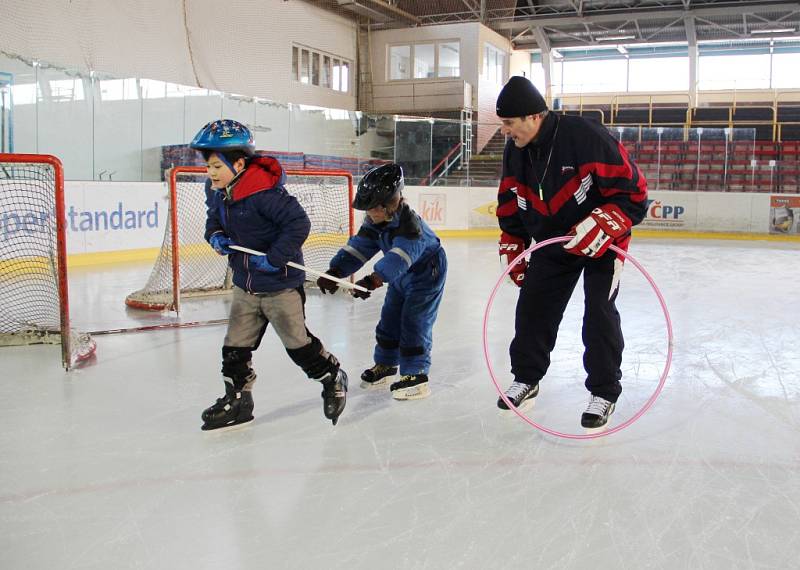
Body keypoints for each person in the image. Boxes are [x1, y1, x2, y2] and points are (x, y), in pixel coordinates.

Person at [494, 76, 648, 428]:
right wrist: (513, 239)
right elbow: (509, 197)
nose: (505, 131)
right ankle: (527, 378)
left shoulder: (586, 137)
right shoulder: (515, 151)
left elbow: (635, 194)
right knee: (533, 307)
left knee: (599, 312)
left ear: (534, 117)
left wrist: (606, 220)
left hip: (603, 241)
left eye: (509, 123)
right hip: (553, 241)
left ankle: (604, 391)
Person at [191, 119, 348, 430]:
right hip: (245, 286)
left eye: (215, 166)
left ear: (238, 162)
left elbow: (298, 225)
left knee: (298, 346)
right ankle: (238, 400)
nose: (210, 173)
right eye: (207, 166)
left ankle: (332, 377)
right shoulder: (218, 193)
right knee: (234, 349)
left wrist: (275, 260)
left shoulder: (266, 194)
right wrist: (216, 236)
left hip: (280, 286)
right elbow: (213, 221)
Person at [316, 163, 447, 400]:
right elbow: (359, 248)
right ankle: (386, 365)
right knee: (389, 318)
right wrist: (336, 271)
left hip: (426, 274)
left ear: (392, 202)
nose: (369, 214)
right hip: (400, 276)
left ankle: (415, 373)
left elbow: (400, 258)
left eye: (373, 208)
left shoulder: (410, 227)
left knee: (414, 321)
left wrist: (375, 279)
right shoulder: (376, 221)